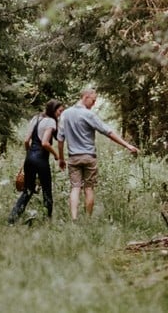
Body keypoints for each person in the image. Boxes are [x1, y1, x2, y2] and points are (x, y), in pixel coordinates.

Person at [57, 86, 138, 220]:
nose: (94, 103)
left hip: (73, 158)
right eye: (93, 100)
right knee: (89, 188)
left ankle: (74, 218)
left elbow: (60, 139)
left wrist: (61, 158)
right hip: (89, 157)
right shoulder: (89, 115)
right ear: (85, 97)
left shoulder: (65, 114)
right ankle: (88, 219)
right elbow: (107, 131)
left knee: (75, 188)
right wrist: (127, 145)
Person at [8, 98, 64, 224]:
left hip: (29, 159)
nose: (60, 114)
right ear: (54, 110)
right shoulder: (50, 121)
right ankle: (48, 221)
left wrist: (29, 154)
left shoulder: (35, 118)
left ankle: (12, 218)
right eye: (60, 111)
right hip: (41, 160)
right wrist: (56, 155)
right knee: (47, 191)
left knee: (27, 191)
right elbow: (45, 142)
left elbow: (26, 141)